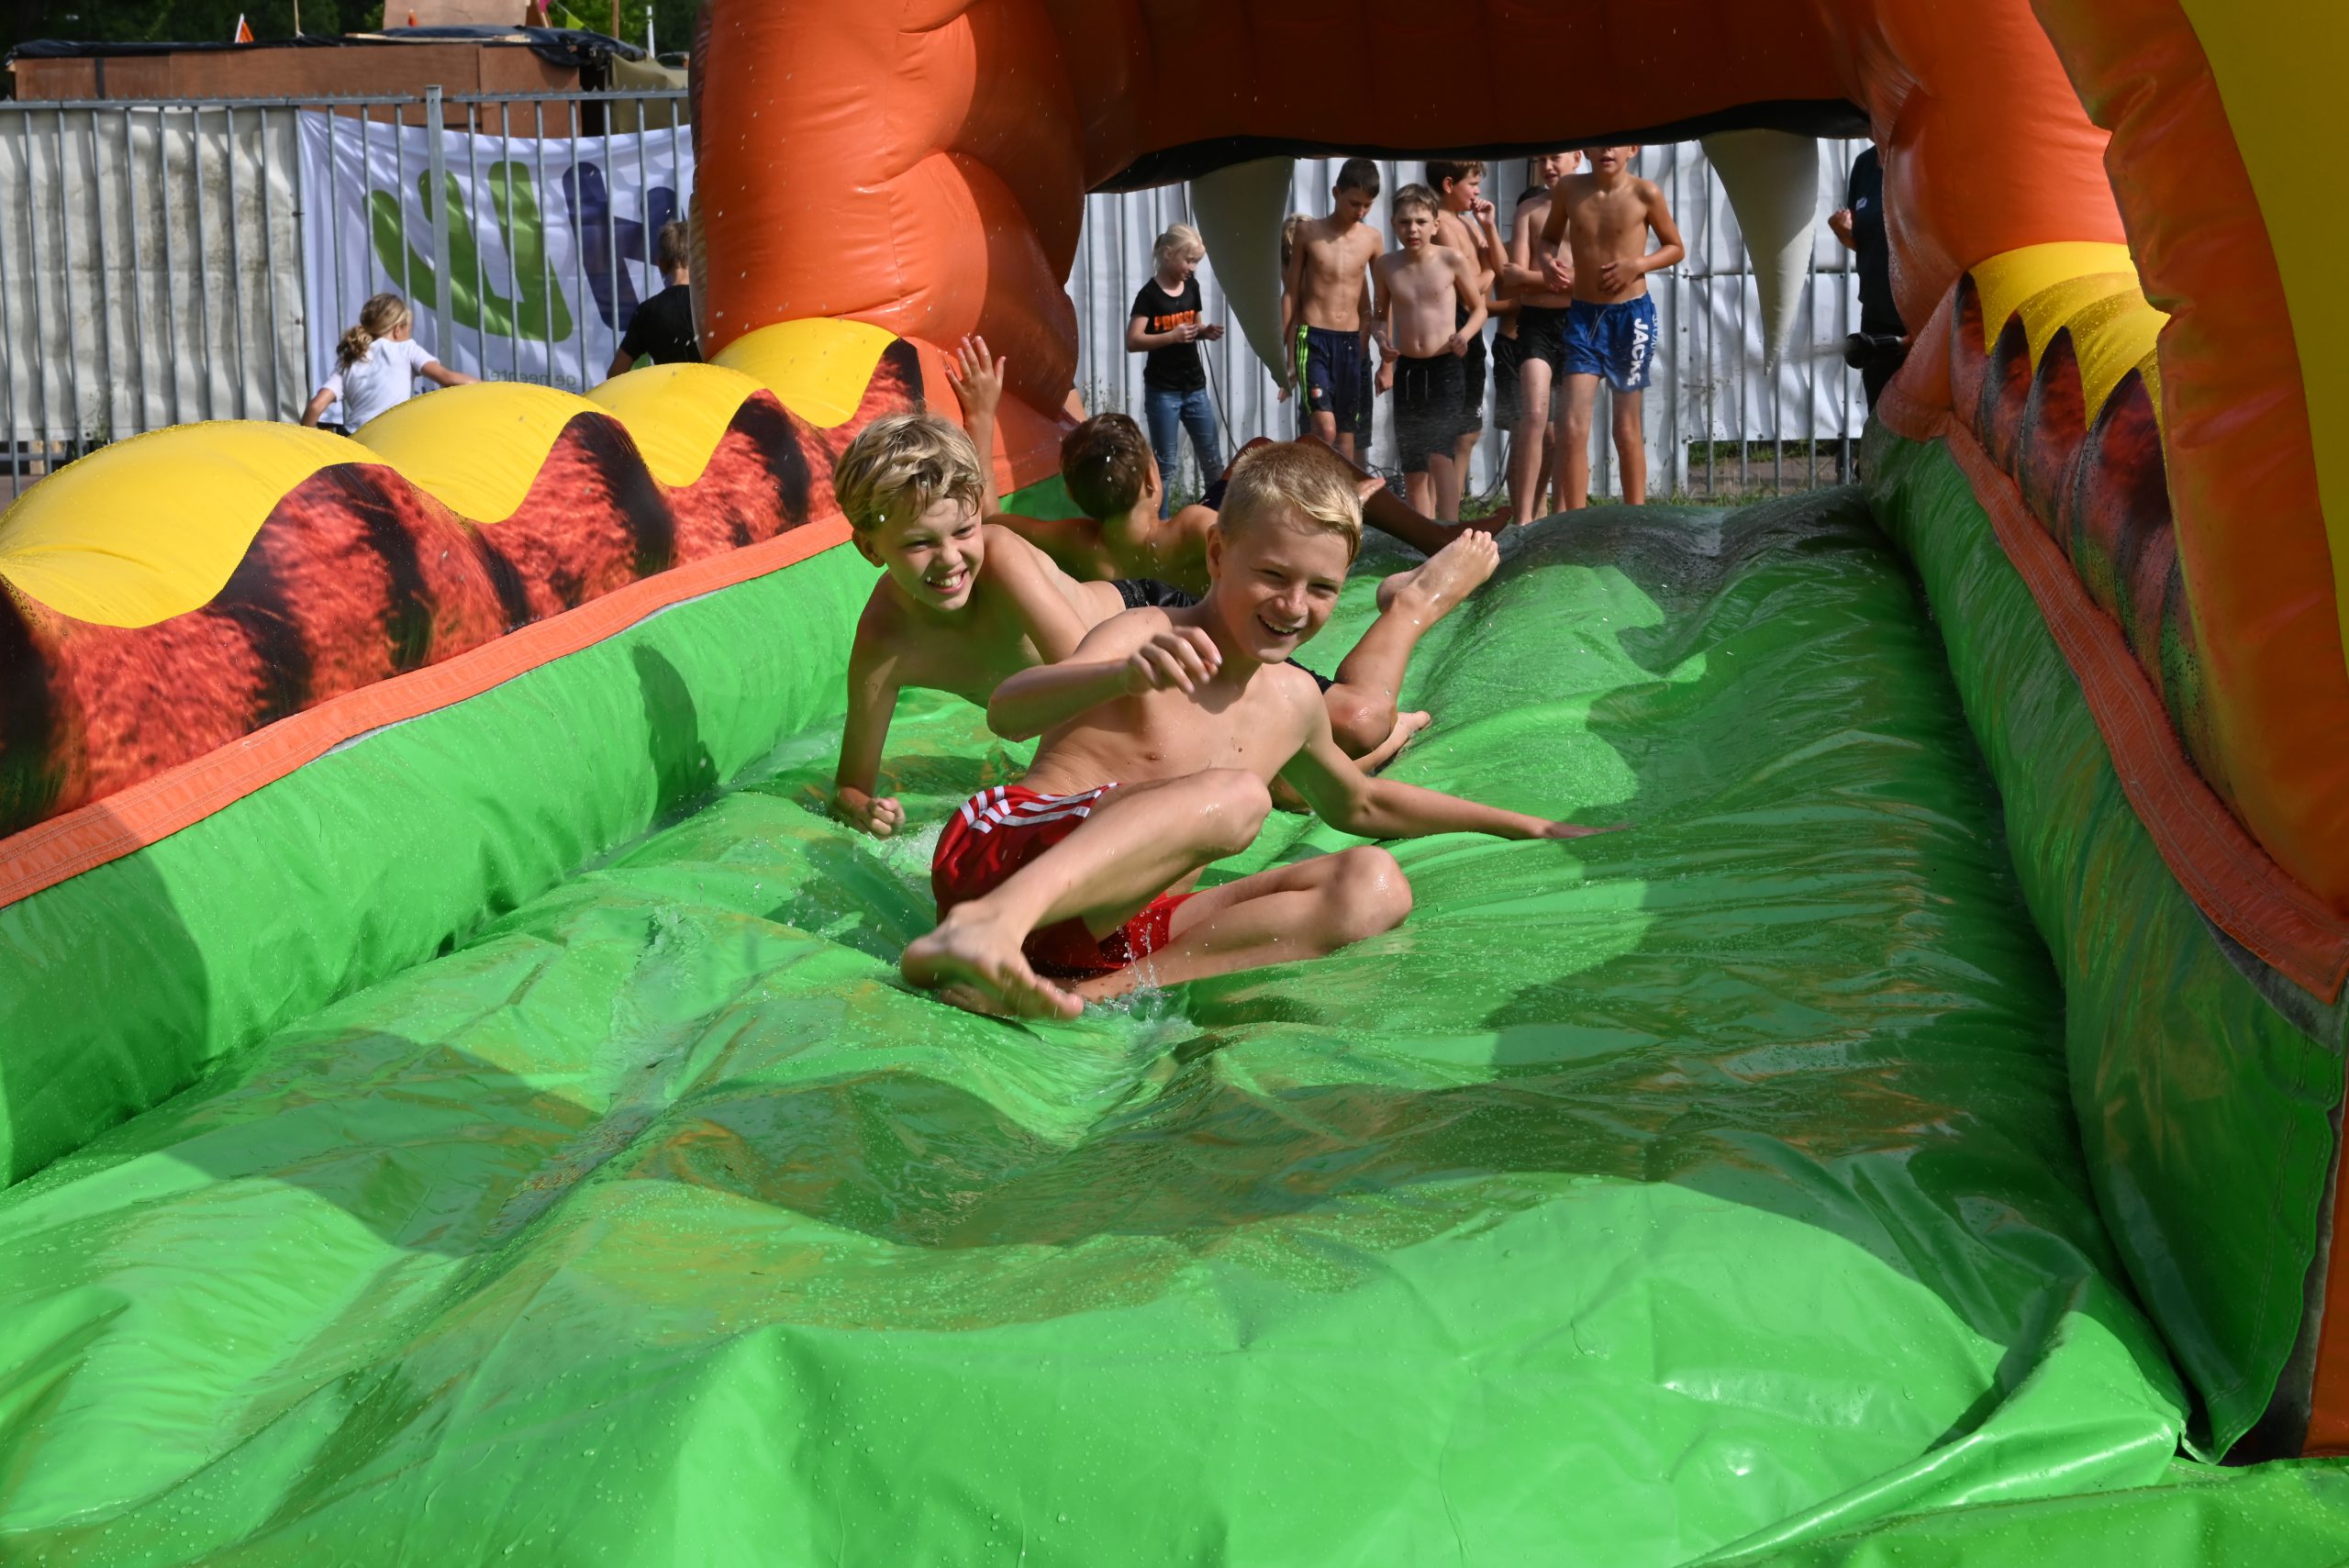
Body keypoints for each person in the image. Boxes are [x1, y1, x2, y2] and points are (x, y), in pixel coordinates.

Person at [900, 440, 1620, 1019]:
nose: (1294, 605)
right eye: (1273, 575)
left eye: (1322, 588)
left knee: (1375, 885)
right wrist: (1116, 676)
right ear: (1218, 556)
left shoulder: (1293, 700)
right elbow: (1009, 710)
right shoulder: (1148, 633)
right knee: (1241, 797)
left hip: (1105, 929)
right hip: (1003, 859)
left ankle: (1089, 994)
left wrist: (1523, 825)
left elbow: (1362, 804)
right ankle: (988, 928)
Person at [829, 410, 1125, 839]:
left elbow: (1098, 691)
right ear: (870, 549)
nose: (950, 558)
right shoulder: (885, 638)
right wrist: (866, 810)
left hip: (1142, 628)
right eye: (920, 542)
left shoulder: (1002, 560)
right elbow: (850, 786)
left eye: (965, 531)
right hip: (1103, 689)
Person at [1539, 146, 1685, 508]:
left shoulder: (1645, 192)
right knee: (1572, 427)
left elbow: (1675, 247)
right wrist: (1546, 261)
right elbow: (1548, 239)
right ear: (1585, 149)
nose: (1607, 149)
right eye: (1600, 142)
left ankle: (1635, 518)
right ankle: (1576, 520)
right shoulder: (1569, 189)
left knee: (1625, 428)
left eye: (1616, 142)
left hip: (1631, 319)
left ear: (1633, 149)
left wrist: (1637, 264)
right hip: (1583, 318)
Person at [1373, 184, 1487, 522]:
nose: (1413, 230)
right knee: (1413, 466)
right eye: (1405, 222)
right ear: (1393, 224)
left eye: (1421, 222)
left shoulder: (1451, 259)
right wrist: (1382, 342)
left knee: (1440, 454)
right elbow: (1379, 316)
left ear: (1435, 225)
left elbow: (1479, 309)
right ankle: (1423, 534)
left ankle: (1449, 526)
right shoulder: (1386, 266)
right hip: (1409, 368)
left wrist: (1464, 335)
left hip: (1446, 367)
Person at [1486, 152, 1583, 524]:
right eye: (1541, 160)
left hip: (1578, 320)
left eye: (1555, 158)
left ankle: (1562, 518)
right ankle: (1523, 518)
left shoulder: (1588, 206)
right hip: (1535, 323)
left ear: (1577, 158)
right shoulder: (1529, 209)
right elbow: (1514, 280)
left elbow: (1588, 277)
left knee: (1569, 424)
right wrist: (1559, 279)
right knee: (1535, 414)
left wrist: (1540, 278)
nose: (1547, 166)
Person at [1281, 158, 1385, 462]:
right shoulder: (1308, 232)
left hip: (1351, 343)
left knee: (1345, 436)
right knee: (1324, 428)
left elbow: (1382, 300)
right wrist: (1286, 354)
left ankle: (1342, 493)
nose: (1361, 211)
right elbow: (1291, 293)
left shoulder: (1372, 239)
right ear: (1336, 192)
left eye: (1367, 205)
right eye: (1354, 203)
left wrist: (1385, 355)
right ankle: (1313, 486)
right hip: (1313, 339)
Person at [1127, 224, 1225, 516]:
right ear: (1169, 254)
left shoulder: (1191, 287)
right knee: (1165, 466)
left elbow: (1194, 324)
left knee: (1212, 461)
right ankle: (1161, 525)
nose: (1193, 268)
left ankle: (1217, 518)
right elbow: (1133, 341)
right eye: (1189, 260)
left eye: (1196, 262)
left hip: (1195, 388)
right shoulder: (1149, 295)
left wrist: (1204, 331)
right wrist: (1171, 336)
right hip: (1163, 392)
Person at [1426, 159, 1500, 519]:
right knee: (1445, 434)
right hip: (1453, 328)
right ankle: (1439, 517)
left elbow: (1497, 267)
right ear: (1449, 184)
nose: (1478, 191)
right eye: (1472, 183)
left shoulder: (1468, 223)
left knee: (1468, 431)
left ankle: (1449, 515)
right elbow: (1470, 289)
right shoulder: (1440, 226)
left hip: (1471, 329)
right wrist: (1488, 271)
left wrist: (1490, 229)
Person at [300, 293, 474, 431]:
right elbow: (448, 379)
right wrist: (488, 388)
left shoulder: (351, 357)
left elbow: (315, 407)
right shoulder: (406, 349)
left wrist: (305, 447)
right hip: (390, 439)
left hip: (355, 439)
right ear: (398, 329)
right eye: (409, 329)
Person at [1829, 146, 1909, 410]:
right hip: (1877, 313)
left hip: (1921, 315)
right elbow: (1864, 242)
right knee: (1879, 409)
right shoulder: (1864, 164)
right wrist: (1844, 233)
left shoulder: (1919, 156)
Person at [605, 219, 701, 377]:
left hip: (668, 390)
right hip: (712, 390)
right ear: (698, 260)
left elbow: (615, 373)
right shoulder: (709, 305)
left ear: (661, 264)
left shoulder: (647, 312)